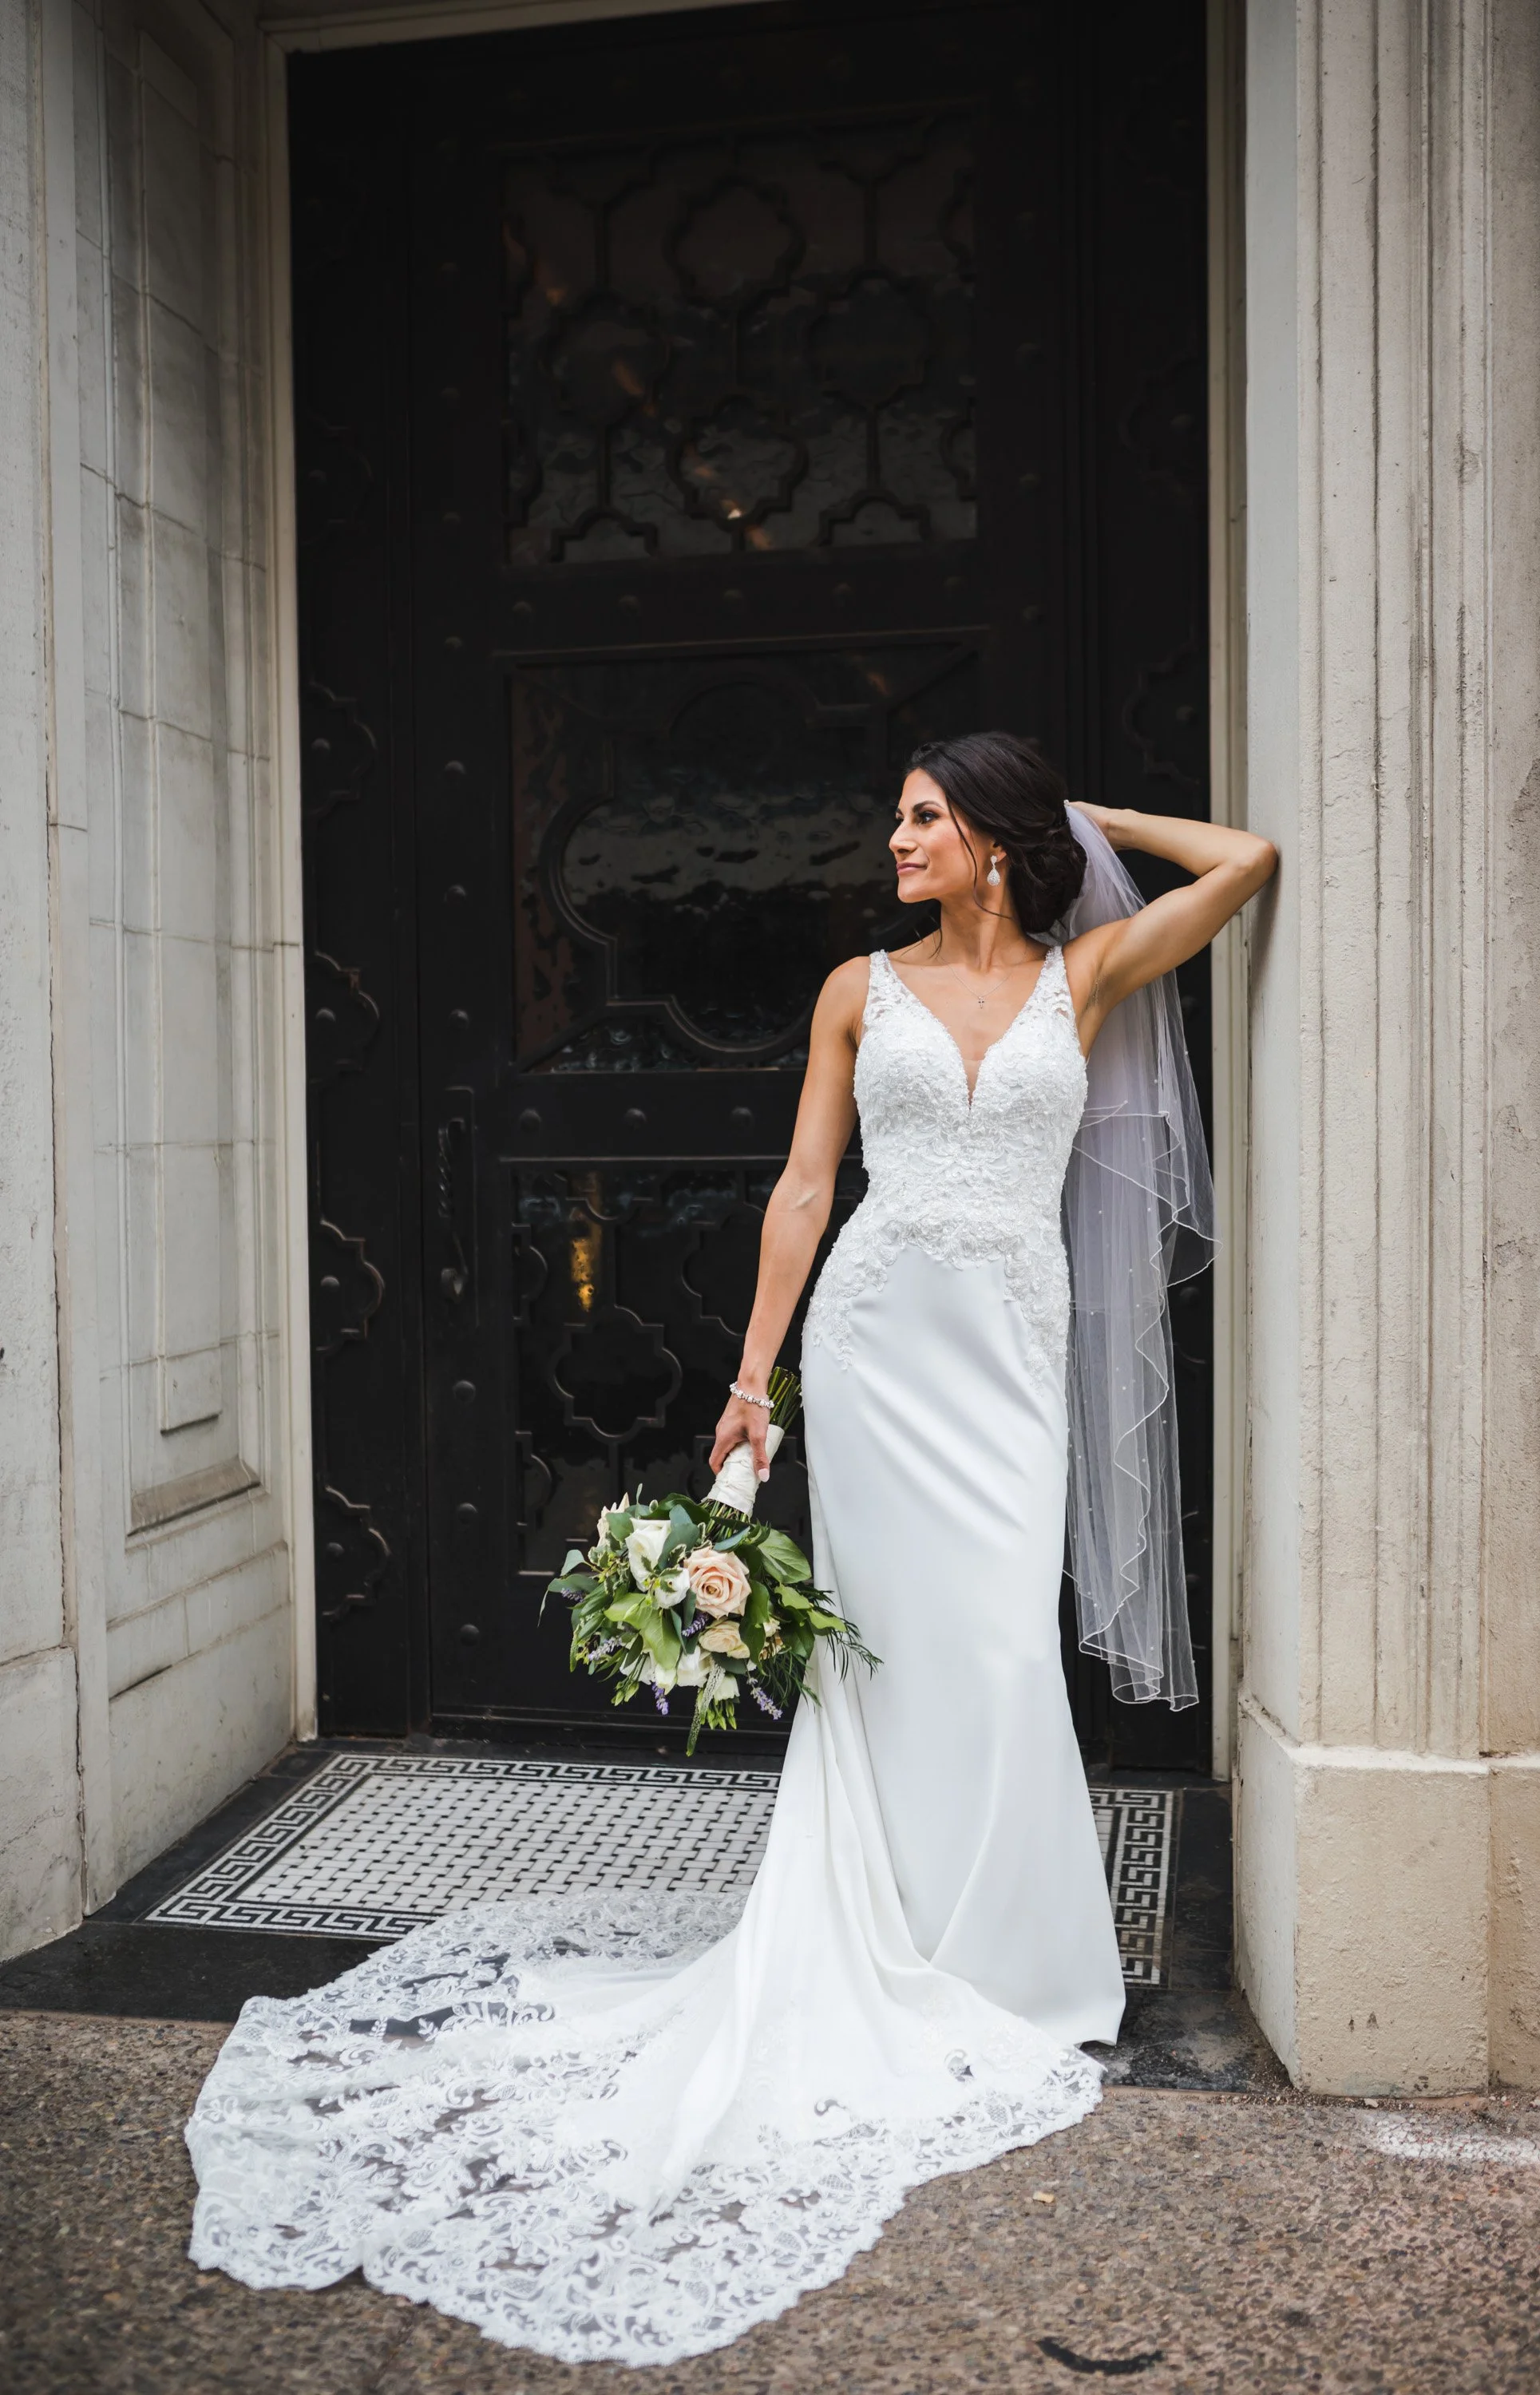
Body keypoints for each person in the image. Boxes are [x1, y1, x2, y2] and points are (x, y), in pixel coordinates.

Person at [185, 733, 1277, 2366]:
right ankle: (894, 1945)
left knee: (992, 1643)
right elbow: (801, 1188)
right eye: (899, 818)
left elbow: (1245, 863)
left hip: (1014, 1347)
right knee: (894, 1649)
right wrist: (752, 1377)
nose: (894, 840)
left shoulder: (1090, 970)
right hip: (882, 1331)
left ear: (990, 839)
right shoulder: (857, 987)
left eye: (924, 818)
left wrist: (1086, 819)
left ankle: (1011, 1960)